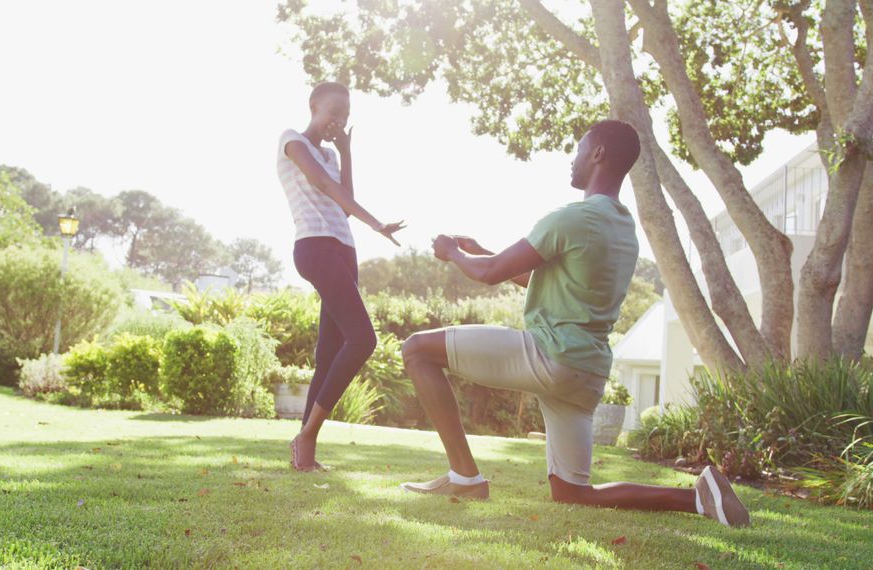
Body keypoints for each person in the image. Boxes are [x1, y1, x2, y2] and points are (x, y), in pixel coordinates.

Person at [397, 119, 750, 527]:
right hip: (585, 372)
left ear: (598, 154)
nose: (573, 159)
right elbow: (540, 278)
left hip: (550, 356)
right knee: (573, 493)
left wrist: (452, 253)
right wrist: (484, 251)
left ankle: (464, 476)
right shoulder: (622, 228)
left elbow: (489, 272)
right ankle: (699, 498)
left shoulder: (573, 217)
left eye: (579, 150)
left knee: (417, 349)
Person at [277, 81, 405, 471]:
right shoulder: (292, 140)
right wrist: (377, 224)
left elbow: (342, 201)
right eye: (333, 112)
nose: (338, 120)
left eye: (345, 116)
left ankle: (305, 455)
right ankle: (306, 435)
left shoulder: (332, 154)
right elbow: (324, 186)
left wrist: (348, 152)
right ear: (313, 105)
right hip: (315, 247)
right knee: (363, 339)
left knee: (328, 354)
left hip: (344, 249)